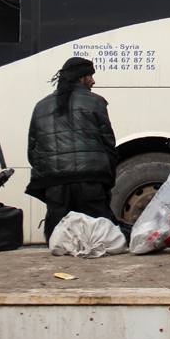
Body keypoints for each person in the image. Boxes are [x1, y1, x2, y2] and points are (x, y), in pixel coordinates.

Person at [25, 57, 121, 242]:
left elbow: (33, 150)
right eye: (90, 76)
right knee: (99, 237)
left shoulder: (40, 106)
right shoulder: (96, 102)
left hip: (55, 184)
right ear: (80, 78)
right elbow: (108, 143)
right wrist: (106, 178)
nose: (93, 81)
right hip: (90, 181)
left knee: (58, 239)